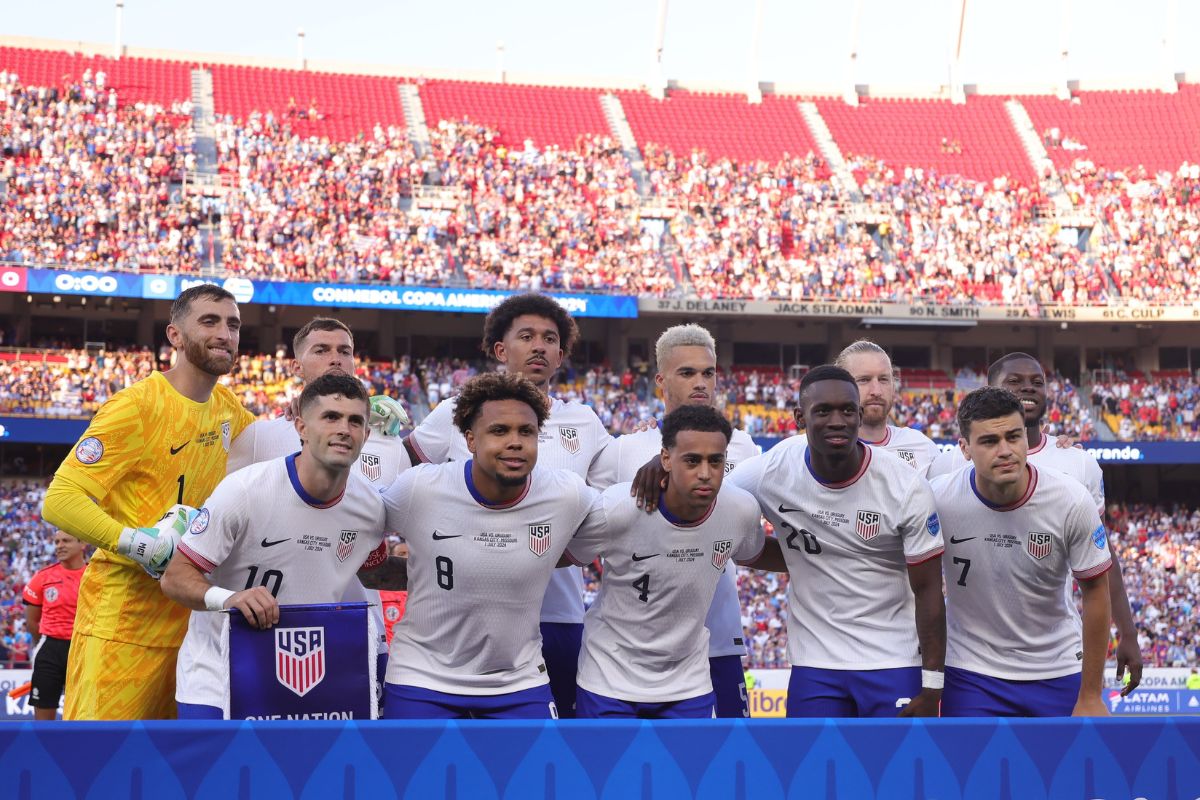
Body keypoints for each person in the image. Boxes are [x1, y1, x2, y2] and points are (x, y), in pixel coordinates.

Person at [41, 284, 256, 719]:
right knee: (100, 768)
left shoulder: (228, 408)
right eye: (209, 321)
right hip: (123, 625)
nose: (225, 334)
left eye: (233, 324)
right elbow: (60, 500)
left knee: (171, 776)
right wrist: (138, 544)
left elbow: (282, 458)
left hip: (193, 626)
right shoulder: (135, 407)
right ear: (174, 336)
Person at [401, 293, 611, 717]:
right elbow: (402, 476)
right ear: (501, 349)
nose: (539, 346)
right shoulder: (455, 413)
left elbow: (610, 501)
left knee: (549, 751)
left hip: (558, 614)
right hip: (460, 623)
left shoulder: (586, 422)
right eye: (527, 336)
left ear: (561, 353)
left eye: (550, 339)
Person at [161, 373, 404, 718]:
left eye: (355, 421)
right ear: (302, 427)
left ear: (366, 434)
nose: (343, 429)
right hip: (218, 679)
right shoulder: (245, 491)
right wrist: (230, 599)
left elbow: (373, 571)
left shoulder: (370, 507)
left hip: (310, 677)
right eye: (330, 417)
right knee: (225, 774)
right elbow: (175, 577)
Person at [727, 365, 947, 718]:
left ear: (860, 416)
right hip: (815, 664)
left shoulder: (904, 486)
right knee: (814, 772)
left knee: (895, 772)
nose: (837, 421)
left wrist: (933, 685)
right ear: (800, 417)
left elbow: (929, 590)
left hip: (893, 659)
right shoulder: (772, 470)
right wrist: (663, 471)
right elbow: (712, 506)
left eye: (847, 410)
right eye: (823, 411)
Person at [929, 352, 1142, 694]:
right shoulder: (950, 464)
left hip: (1054, 654)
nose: (1027, 388)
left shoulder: (1076, 463)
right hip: (972, 660)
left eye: (1037, 382)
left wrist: (1127, 632)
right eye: (1014, 382)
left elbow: (1102, 558)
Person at [224, 316, 411, 695]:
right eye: (321, 350)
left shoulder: (387, 443)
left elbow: (408, 537)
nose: (335, 358)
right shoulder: (259, 437)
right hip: (273, 623)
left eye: (345, 351)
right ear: (296, 366)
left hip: (357, 622)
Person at [590, 323, 762, 717]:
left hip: (716, 638)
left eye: (708, 373)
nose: (700, 383)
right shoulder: (626, 450)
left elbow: (753, 533)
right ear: (660, 381)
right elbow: (587, 523)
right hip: (630, 653)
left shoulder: (745, 448)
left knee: (716, 764)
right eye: (686, 373)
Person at [567, 405, 779, 718]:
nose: (705, 473)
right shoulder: (619, 508)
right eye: (692, 460)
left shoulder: (740, 511)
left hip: (688, 683)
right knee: (608, 770)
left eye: (715, 461)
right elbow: (561, 555)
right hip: (608, 678)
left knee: (693, 770)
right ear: (666, 458)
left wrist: (839, 554)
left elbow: (758, 553)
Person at [834, 340, 940, 475]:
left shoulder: (923, 448)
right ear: (839, 387)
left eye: (883, 379)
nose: (876, 391)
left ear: (894, 387)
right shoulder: (813, 451)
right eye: (864, 380)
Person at [23, 531, 87, 720]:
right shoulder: (43, 577)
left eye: (66, 540)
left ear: (82, 543)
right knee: (43, 720)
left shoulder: (94, 576)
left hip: (83, 650)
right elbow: (32, 622)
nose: (59, 545)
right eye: (56, 542)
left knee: (82, 716)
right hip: (50, 649)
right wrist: (47, 641)